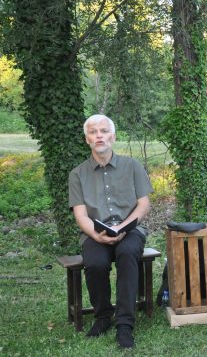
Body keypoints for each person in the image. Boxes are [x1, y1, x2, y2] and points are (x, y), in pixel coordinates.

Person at [68, 114, 153, 348]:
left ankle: (125, 324)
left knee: (127, 255)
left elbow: (144, 205)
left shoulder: (132, 166)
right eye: (93, 132)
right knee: (95, 263)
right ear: (87, 139)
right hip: (95, 231)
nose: (99, 136)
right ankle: (103, 316)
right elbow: (80, 214)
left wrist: (123, 227)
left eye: (103, 131)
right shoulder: (77, 174)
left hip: (130, 229)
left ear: (113, 137)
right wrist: (96, 235)